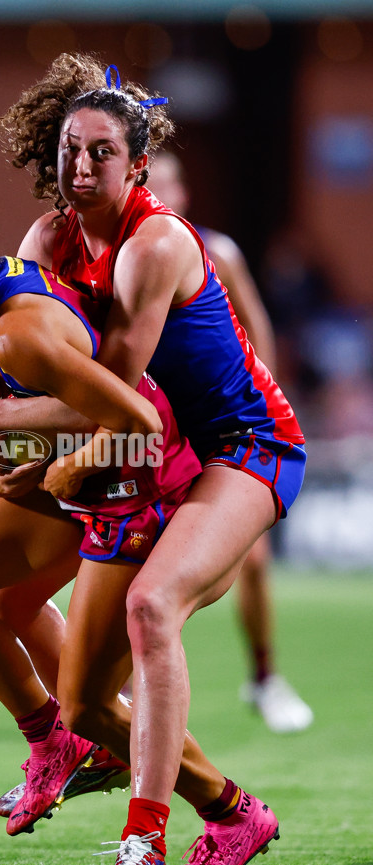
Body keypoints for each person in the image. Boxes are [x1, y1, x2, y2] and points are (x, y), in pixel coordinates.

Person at [0, 52, 275, 865]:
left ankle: (204, 817)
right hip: (107, 458)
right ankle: (58, 743)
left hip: (154, 466)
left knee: (121, 655)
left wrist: (0, 424)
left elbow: (130, 409)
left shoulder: (138, 254)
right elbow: (58, 383)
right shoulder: (37, 249)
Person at [0, 52, 305, 865]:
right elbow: (34, 364)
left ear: (139, 164)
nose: (80, 166)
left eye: (101, 152)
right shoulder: (48, 237)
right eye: (69, 151)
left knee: (153, 608)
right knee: (83, 701)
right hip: (153, 451)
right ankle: (229, 812)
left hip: (243, 445)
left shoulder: (155, 242)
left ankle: (143, 843)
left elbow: (112, 395)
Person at [146, 149, 313, 734]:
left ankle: (265, 676)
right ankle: (125, 693)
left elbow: (256, 324)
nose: (156, 196)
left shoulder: (214, 251)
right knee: (140, 562)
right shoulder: (126, 257)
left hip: (226, 432)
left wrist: (258, 402)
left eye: (165, 186)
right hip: (161, 435)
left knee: (253, 561)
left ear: (184, 194)